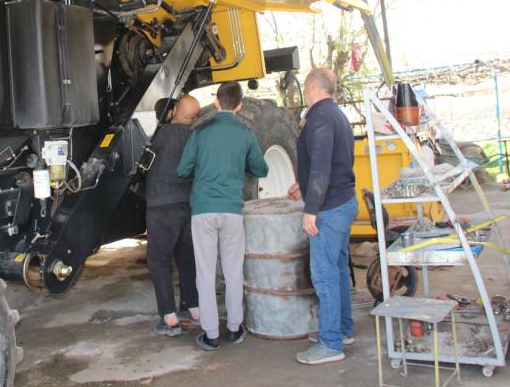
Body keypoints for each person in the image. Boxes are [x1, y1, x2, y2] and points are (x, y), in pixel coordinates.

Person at [177, 81, 268, 351]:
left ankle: (211, 334)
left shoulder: (199, 132)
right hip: (231, 210)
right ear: (239, 105)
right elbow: (261, 169)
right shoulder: (245, 134)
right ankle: (235, 328)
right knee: (233, 271)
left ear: (216, 102)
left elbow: (183, 170)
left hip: (203, 210)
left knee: (205, 272)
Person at [288, 68, 358, 365]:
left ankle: (330, 344)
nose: (304, 93)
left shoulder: (319, 119)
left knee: (324, 275)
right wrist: (303, 185)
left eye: (305, 88)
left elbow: (320, 167)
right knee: (338, 270)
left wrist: (311, 208)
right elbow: (333, 162)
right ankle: (342, 330)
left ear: (314, 87)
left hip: (329, 208)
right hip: (343, 201)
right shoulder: (337, 115)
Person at [145, 95, 202, 336]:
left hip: (161, 206)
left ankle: (169, 318)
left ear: (175, 109)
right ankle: (192, 308)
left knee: (160, 260)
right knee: (187, 258)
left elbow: (142, 164)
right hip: (189, 204)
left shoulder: (160, 136)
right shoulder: (196, 137)